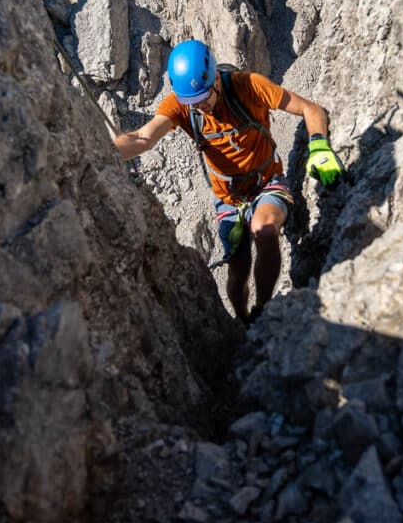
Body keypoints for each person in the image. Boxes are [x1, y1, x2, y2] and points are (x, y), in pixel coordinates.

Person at [113, 39, 342, 323]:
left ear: (216, 83)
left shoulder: (249, 86)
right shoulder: (182, 104)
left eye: (202, 99)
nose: (198, 108)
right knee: (237, 269)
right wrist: (110, 148)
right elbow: (143, 138)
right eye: (190, 103)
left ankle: (263, 309)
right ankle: (243, 318)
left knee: (265, 230)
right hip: (228, 198)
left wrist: (319, 146)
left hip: (267, 181)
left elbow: (311, 109)